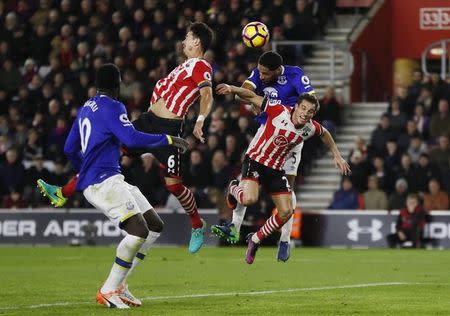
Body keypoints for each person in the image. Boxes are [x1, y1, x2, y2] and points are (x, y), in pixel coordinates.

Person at [37, 22, 215, 254]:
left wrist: (200, 119)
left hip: (170, 128)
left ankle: (197, 224)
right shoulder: (181, 67)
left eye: (187, 37)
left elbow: (207, 93)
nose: (183, 41)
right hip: (147, 121)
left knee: (173, 185)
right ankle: (62, 193)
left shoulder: (201, 66)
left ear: (197, 42)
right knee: (107, 154)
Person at [62, 64, 188, 308]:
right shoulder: (114, 106)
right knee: (138, 230)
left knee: (154, 224)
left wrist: (82, 169)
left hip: (109, 178)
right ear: (118, 84)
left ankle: (121, 285)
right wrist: (167, 139)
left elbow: (69, 148)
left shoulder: (86, 108)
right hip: (104, 181)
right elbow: (130, 138)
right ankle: (108, 289)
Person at [215, 83, 350, 264]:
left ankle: (255, 239)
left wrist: (337, 155)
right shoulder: (277, 110)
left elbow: (325, 133)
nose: (306, 113)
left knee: (286, 212)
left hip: (276, 168)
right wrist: (232, 89)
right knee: (249, 200)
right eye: (303, 108)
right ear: (296, 106)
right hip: (255, 160)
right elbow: (251, 95)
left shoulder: (310, 127)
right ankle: (234, 188)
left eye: (310, 111)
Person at [211, 51, 316, 262]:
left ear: (278, 71)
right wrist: (242, 93)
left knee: (289, 187)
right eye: (260, 72)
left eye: (266, 74)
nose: (262, 76)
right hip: (267, 132)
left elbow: (312, 100)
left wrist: (293, 113)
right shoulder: (259, 74)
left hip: (293, 137)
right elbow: (246, 93)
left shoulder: (296, 75)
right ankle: (235, 227)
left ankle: (285, 239)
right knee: (248, 183)